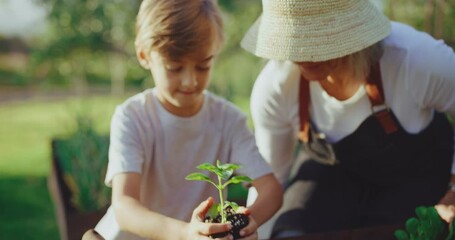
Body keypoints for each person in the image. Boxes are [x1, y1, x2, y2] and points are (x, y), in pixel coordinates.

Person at [240, 0, 455, 238]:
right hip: (330, 181)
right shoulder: (276, 86)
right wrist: (250, 229)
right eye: (294, 40)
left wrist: (452, 194)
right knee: (291, 231)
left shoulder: (417, 61)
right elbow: (271, 179)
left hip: (416, 177)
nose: (301, 53)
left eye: (319, 39)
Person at [83, 0, 283, 239]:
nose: (190, 81)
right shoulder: (133, 117)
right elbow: (124, 207)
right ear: (144, 55)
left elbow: (271, 190)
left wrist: (247, 222)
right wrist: (184, 233)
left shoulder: (227, 120)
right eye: (174, 68)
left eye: (202, 66)